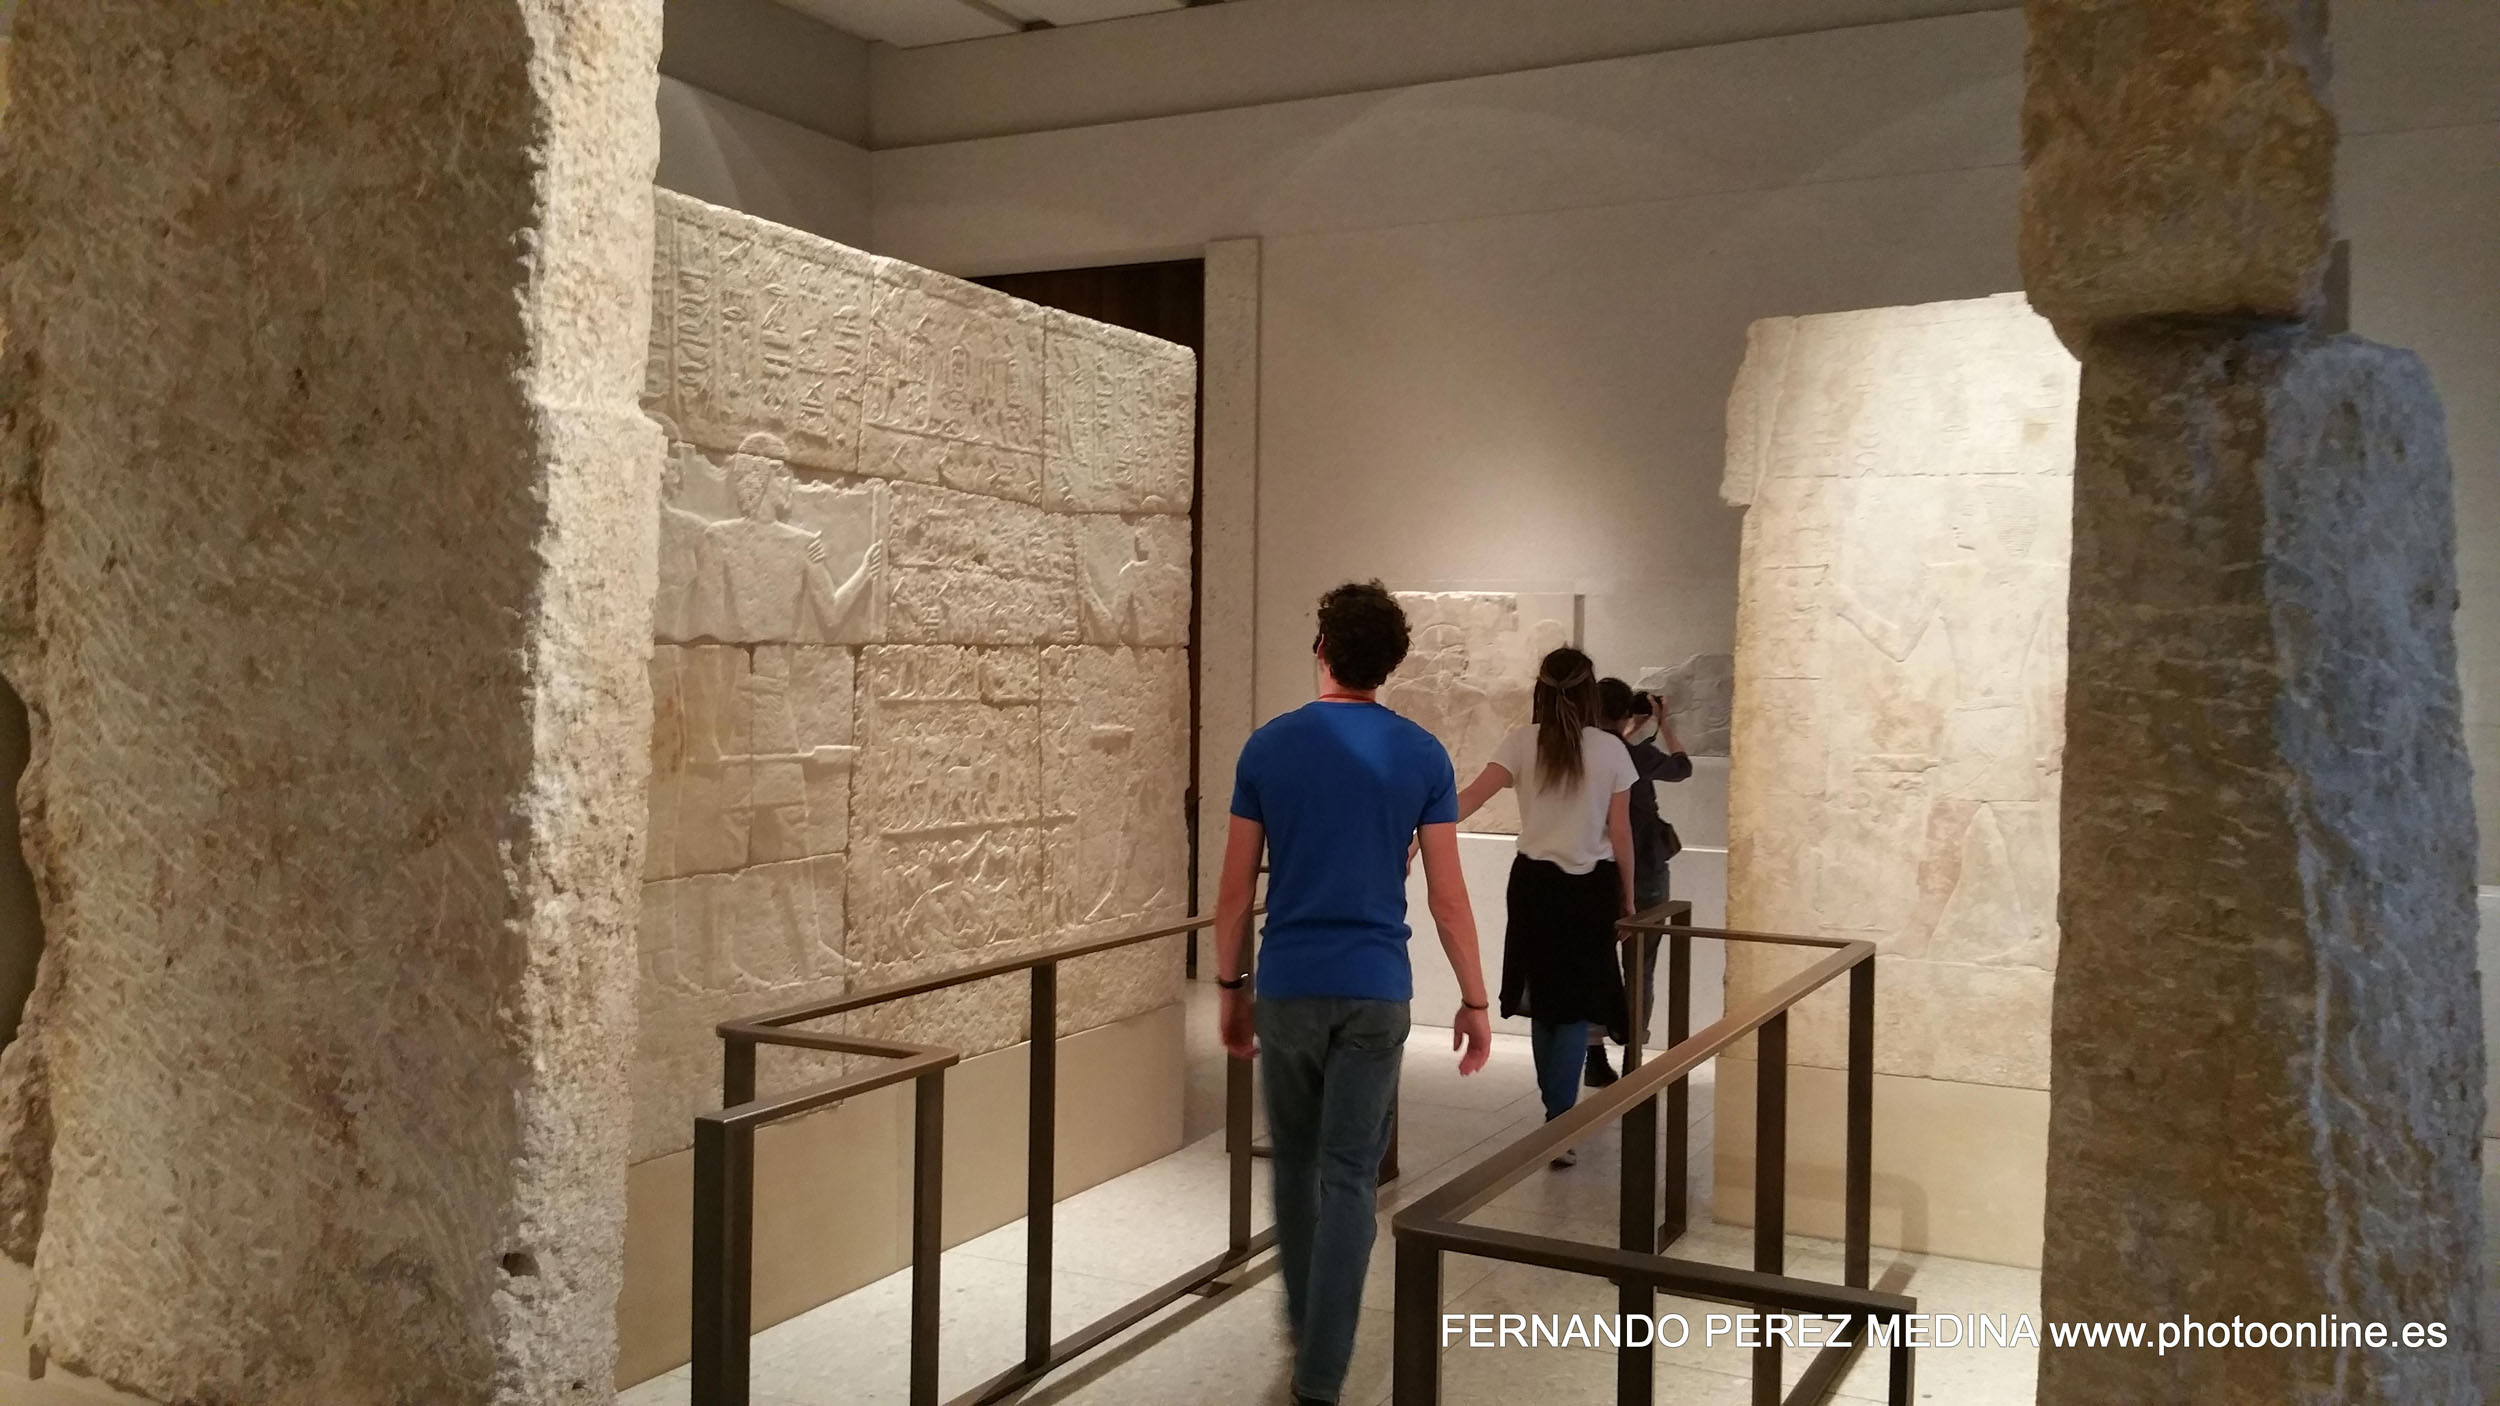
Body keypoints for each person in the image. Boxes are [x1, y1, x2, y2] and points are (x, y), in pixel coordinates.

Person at [1213, 580, 1494, 1406]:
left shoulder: (1269, 747)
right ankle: (1322, 1372)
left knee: (1296, 1164)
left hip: (1289, 981)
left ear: (1322, 649)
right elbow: (1448, 898)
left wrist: (1230, 986)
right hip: (1375, 987)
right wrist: (1475, 1001)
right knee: (1347, 1176)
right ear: (1390, 665)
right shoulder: (1423, 755)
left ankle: (1307, 1325)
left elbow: (1234, 892)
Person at [1451, 646, 1635, 1167]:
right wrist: (1628, 897)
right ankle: (1559, 1118)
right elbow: (1621, 833)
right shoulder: (1611, 749)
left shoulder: (1521, 742)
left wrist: (1419, 824)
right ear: (1590, 692)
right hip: (1591, 889)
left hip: (1534, 885)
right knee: (1573, 1006)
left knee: (1544, 1000)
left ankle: (1556, 1111)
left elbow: (1469, 798)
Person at [1584, 677, 1694, 1087]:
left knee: (1595, 963)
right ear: (1626, 712)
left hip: (1595, 868)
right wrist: (1663, 723)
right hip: (1645, 869)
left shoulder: (1588, 753)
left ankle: (1593, 1054)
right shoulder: (1634, 756)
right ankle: (1633, 1053)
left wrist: (1634, 727)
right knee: (1641, 967)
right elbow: (1682, 767)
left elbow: (1615, 749)